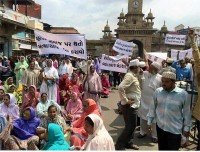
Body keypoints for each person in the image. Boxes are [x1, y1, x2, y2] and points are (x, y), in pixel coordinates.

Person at [147, 71, 191, 150]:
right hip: (160, 127)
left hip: (175, 130)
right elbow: (152, 107)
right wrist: (149, 121)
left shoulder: (183, 94)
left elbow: (187, 113)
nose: (163, 83)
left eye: (166, 82)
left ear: (174, 82)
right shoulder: (158, 92)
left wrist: (186, 128)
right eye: (162, 81)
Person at [115, 59, 143, 150]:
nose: (140, 68)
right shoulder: (129, 76)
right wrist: (126, 100)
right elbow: (120, 87)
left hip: (133, 104)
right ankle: (119, 144)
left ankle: (128, 142)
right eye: (139, 67)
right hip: (129, 106)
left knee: (131, 126)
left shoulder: (134, 75)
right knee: (131, 126)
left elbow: (140, 87)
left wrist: (141, 75)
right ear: (135, 67)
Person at [138, 62, 161, 143]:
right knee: (143, 118)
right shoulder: (145, 73)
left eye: (151, 68)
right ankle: (142, 132)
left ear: (156, 69)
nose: (149, 69)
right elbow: (138, 71)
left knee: (154, 120)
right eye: (150, 67)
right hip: (144, 100)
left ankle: (155, 136)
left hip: (154, 102)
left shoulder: (160, 78)